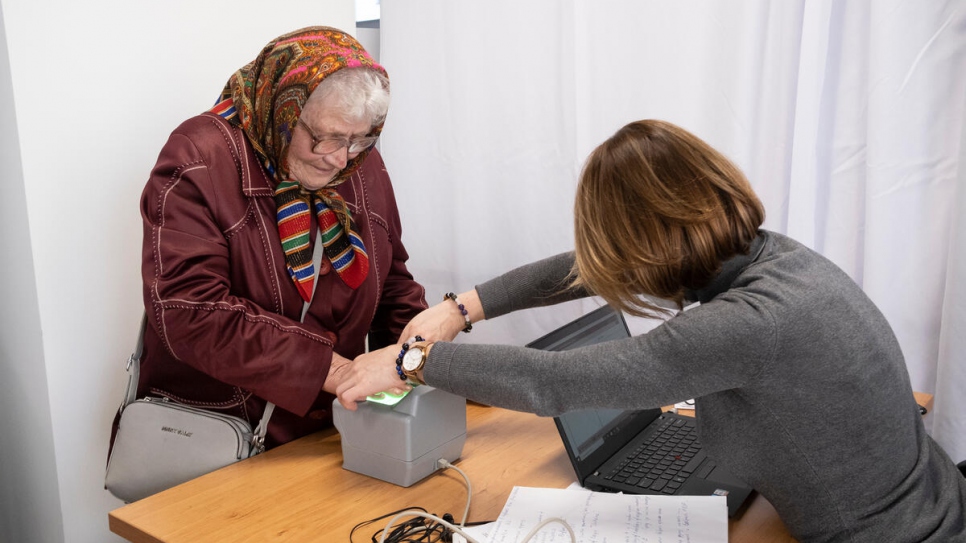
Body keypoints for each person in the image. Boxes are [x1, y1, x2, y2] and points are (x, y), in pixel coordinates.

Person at [337, 120, 966, 542]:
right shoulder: (769, 254)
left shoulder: (746, 323)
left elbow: (548, 383)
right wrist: (460, 308)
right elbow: (587, 269)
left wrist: (407, 363)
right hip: (925, 499)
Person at [123, 27, 426, 450]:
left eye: (360, 140)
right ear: (285, 108)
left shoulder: (361, 163)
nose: (340, 159)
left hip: (338, 431)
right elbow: (190, 311)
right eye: (325, 138)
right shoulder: (198, 157)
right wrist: (336, 373)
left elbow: (392, 283)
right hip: (226, 436)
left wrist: (425, 365)